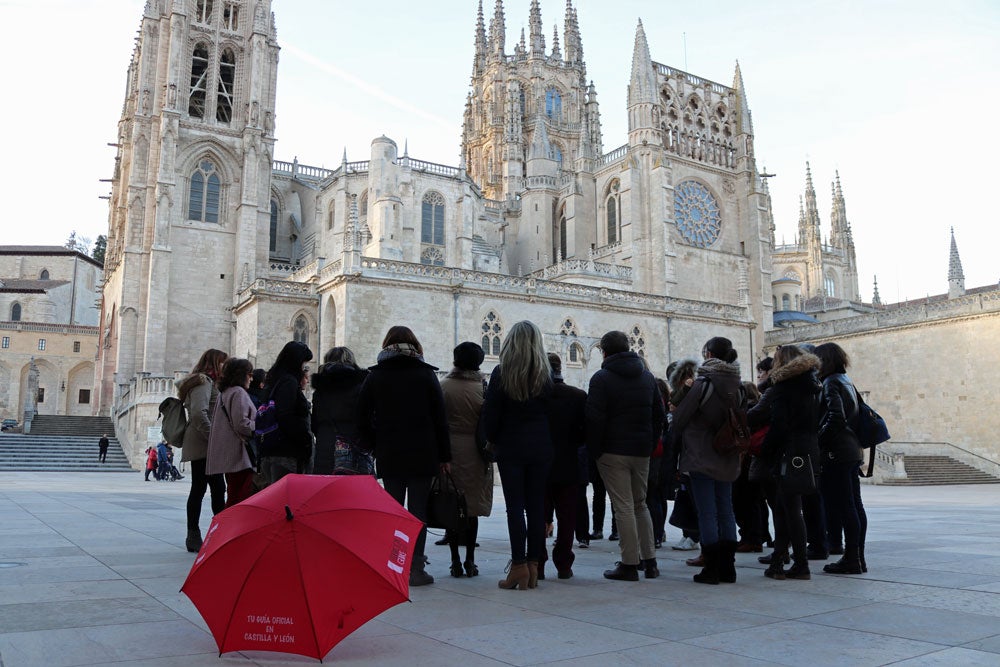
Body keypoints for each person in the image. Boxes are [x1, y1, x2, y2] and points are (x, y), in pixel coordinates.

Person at [358, 326, 450, 587]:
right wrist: (445, 455)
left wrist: (374, 443)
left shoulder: (376, 376)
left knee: (394, 511)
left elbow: (361, 416)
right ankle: (416, 568)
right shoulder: (425, 374)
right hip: (423, 452)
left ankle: (394, 565)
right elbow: (440, 419)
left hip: (390, 452)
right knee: (417, 511)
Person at [587, 330, 665, 582]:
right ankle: (650, 561)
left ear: (604, 351)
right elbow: (659, 416)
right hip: (641, 450)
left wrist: (595, 450)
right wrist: (649, 443)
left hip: (612, 450)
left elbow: (594, 418)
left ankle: (629, 563)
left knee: (623, 506)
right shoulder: (647, 377)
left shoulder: (601, 378)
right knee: (640, 503)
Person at [481, 320, 553, 590]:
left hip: (511, 447)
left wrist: (493, 439)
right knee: (536, 506)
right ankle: (534, 566)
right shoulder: (545, 376)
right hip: (541, 447)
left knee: (515, 508)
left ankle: (519, 565)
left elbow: (492, 415)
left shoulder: (502, 373)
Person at [673, 336, 743, 585]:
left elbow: (681, 417)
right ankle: (729, 568)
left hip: (701, 454)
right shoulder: (738, 383)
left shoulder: (703, 382)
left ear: (709, 354)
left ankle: (711, 568)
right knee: (726, 510)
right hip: (728, 455)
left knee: (707, 513)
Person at [750, 344, 822, 581]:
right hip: (808, 450)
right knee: (790, 509)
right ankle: (783, 561)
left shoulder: (784, 387)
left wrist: (766, 451)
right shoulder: (812, 384)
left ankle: (796, 563)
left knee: (787, 510)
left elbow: (779, 426)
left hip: (787, 453)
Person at [439, 342, 493, 578]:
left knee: (452, 506)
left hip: (449, 451)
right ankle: (470, 560)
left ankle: (454, 561)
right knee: (471, 509)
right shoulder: (483, 387)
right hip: (475, 450)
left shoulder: (443, 386)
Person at [815, 341, 868, 575]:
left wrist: (818, 440)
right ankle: (857, 556)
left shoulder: (830, 382)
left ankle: (852, 558)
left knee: (845, 505)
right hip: (852, 449)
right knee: (855, 505)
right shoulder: (846, 380)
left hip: (837, 452)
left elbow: (836, 417)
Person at [541, 352, 587, 580]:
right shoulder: (578, 396)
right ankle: (564, 564)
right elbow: (585, 433)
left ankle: (537, 562)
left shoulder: (535, 396)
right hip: (569, 463)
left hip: (540, 464)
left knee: (539, 514)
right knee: (567, 517)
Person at [177, 348, 228, 552]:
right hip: (203, 442)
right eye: (223, 363)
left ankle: (207, 532)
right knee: (209, 488)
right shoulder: (203, 382)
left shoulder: (205, 382)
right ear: (215, 363)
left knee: (208, 487)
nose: (225, 366)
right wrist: (214, 438)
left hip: (204, 442)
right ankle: (203, 533)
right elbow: (199, 413)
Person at [311, 347, 370, 475]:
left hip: (325, 445)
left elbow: (314, 423)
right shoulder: (360, 387)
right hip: (353, 445)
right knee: (355, 491)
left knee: (326, 490)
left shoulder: (320, 390)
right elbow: (365, 419)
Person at [262, 341, 314, 483]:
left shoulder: (274, 380)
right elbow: (286, 416)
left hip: (273, 449)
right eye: (303, 364)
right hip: (286, 452)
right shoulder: (288, 382)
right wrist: (305, 441)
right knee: (288, 500)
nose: (304, 369)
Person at [207, 357, 257, 507]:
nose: (251, 378)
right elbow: (242, 424)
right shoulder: (238, 392)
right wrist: (259, 427)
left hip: (229, 454)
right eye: (249, 374)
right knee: (239, 497)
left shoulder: (225, 393)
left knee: (234, 494)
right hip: (239, 454)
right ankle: (230, 527)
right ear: (241, 374)